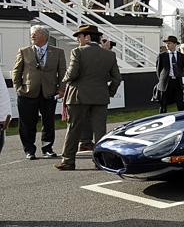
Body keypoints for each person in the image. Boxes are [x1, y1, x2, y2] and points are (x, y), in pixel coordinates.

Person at [56, 24, 121, 170]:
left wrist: (63, 80)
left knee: (73, 129)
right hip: (100, 96)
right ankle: (100, 161)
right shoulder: (109, 54)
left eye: (79, 37)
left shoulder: (77, 52)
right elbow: (117, 79)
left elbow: (72, 73)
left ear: (88, 37)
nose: (78, 40)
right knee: (100, 130)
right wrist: (108, 92)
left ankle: (68, 161)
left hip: (78, 96)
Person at [12, 25, 67, 159]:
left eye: (35, 34)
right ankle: (29, 150)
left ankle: (47, 148)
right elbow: (16, 71)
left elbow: (63, 73)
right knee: (27, 123)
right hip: (27, 92)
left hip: (49, 92)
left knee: (48, 122)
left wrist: (61, 89)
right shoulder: (24, 51)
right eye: (32, 34)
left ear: (45, 36)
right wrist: (19, 88)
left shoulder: (58, 52)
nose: (32, 37)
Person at [156, 36, 184, 113]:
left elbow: (181, 68)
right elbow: (159, 70)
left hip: (176, 81)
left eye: (169, 43)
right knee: (163, 103)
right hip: (166, 81)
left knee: (180, 102)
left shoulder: (181, 56)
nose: (167, 45)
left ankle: (183, 118)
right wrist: (162, 80)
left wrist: (177, 75)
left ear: (175, 44)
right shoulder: (162, 56)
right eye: (166, 43)